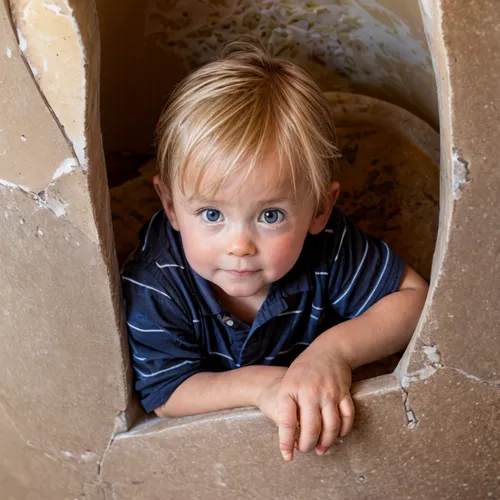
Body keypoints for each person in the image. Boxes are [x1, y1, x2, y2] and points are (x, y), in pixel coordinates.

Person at [121, 41, 428, 462]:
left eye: (270, 216)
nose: (239, 246)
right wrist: (264, 386)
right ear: (172, 206)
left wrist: (332, 353)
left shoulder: (328, 247)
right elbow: (166, 391)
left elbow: (413, 299)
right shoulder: (157, 280)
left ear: (319, 209)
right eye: (211, 214)